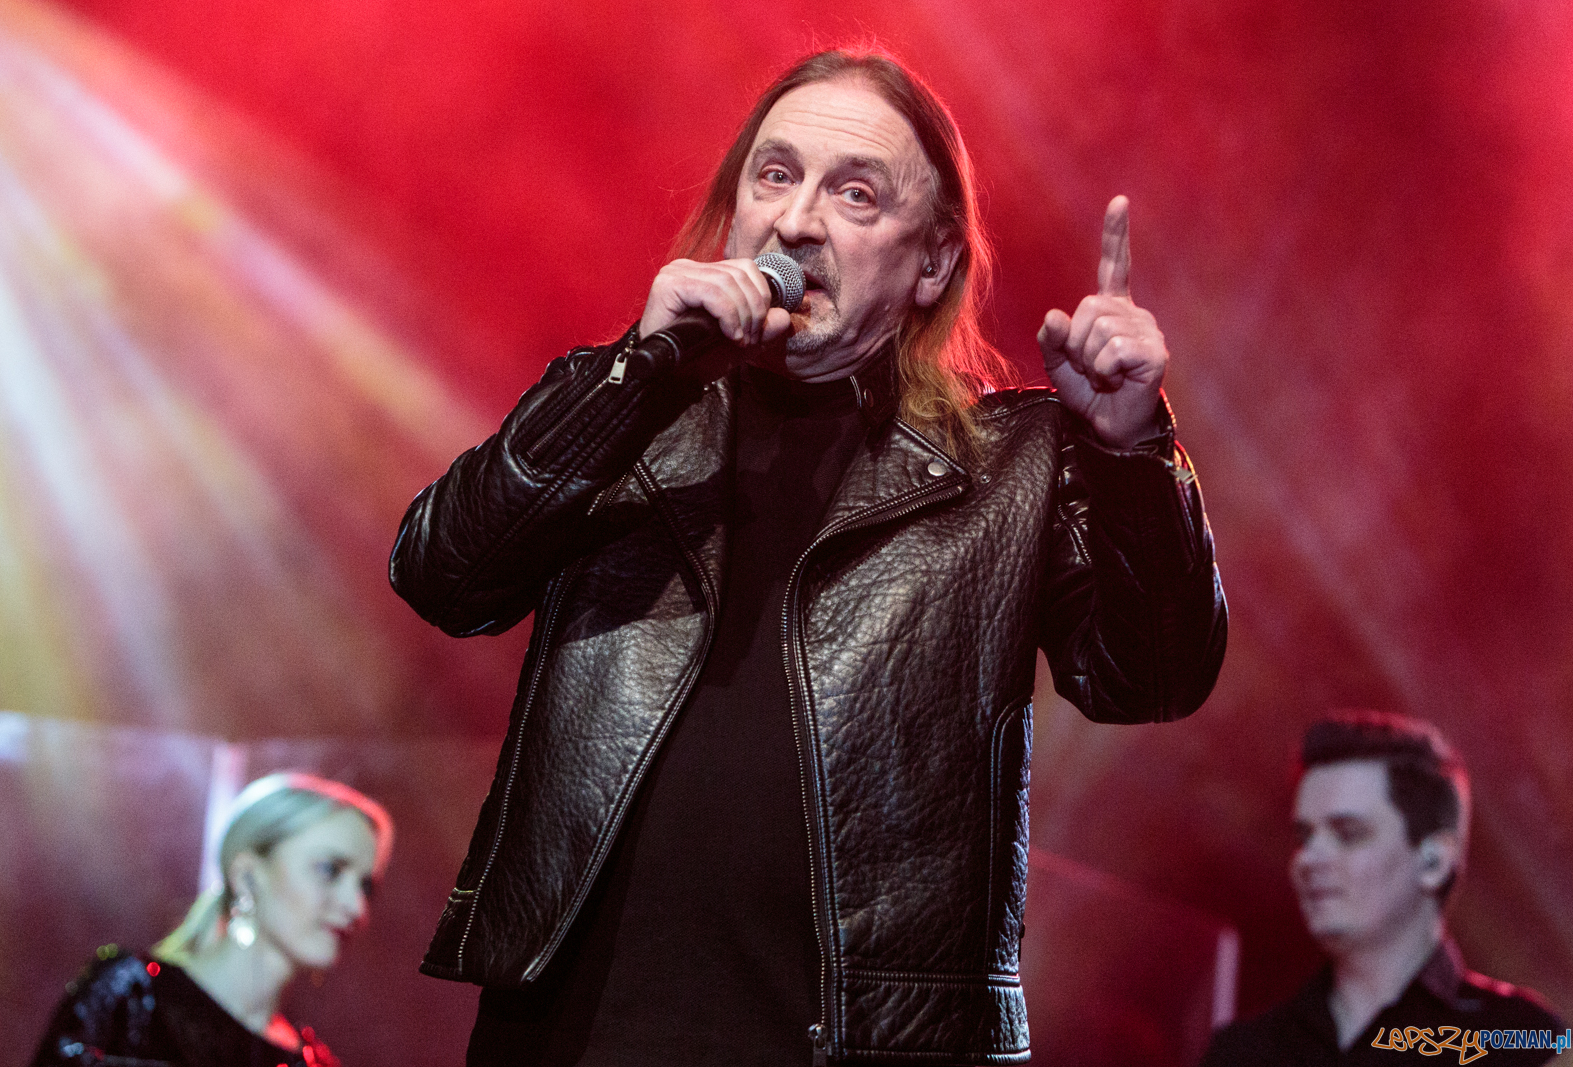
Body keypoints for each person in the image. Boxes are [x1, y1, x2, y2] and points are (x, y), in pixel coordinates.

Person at [390, 48, 1226, 1065]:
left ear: (932, 264)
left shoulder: (1011, 466)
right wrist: (632, 376)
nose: (796, 220)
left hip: (863, 1042)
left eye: (855, 193)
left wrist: (1130, 449)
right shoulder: (623, 414)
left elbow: (1151, 677)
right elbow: (442, 575)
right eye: (775, 175)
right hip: (572, 1037)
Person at [1201, 712, 1566, 1066]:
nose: (1309, 859)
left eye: (1348, 834)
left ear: (1434, 861)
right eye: (1305, 837)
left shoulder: (1523, 1040)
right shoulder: (1243, 1052)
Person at [31, 772, 395, 1067]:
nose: (356, 907)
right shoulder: (131, 997)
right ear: (248, 875)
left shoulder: (313, 1062)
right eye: (330, 870)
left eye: (365, 886)